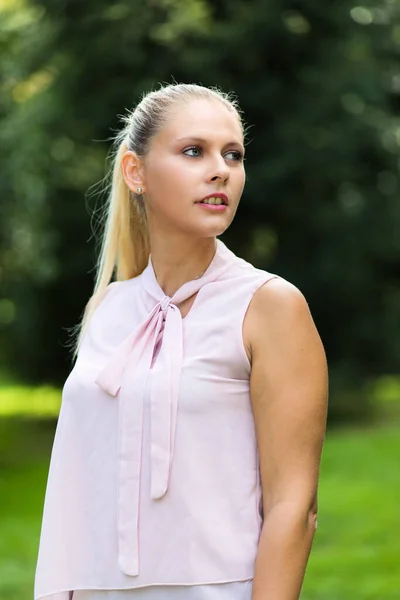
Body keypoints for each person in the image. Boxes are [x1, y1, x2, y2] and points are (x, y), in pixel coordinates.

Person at [34, 83, 328, 600]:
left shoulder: (269, 306)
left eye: (232, 155)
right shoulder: (108, 309)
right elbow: (75, 494)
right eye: (194, 151)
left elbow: (294, 507)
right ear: (136, 172)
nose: (221, 170)